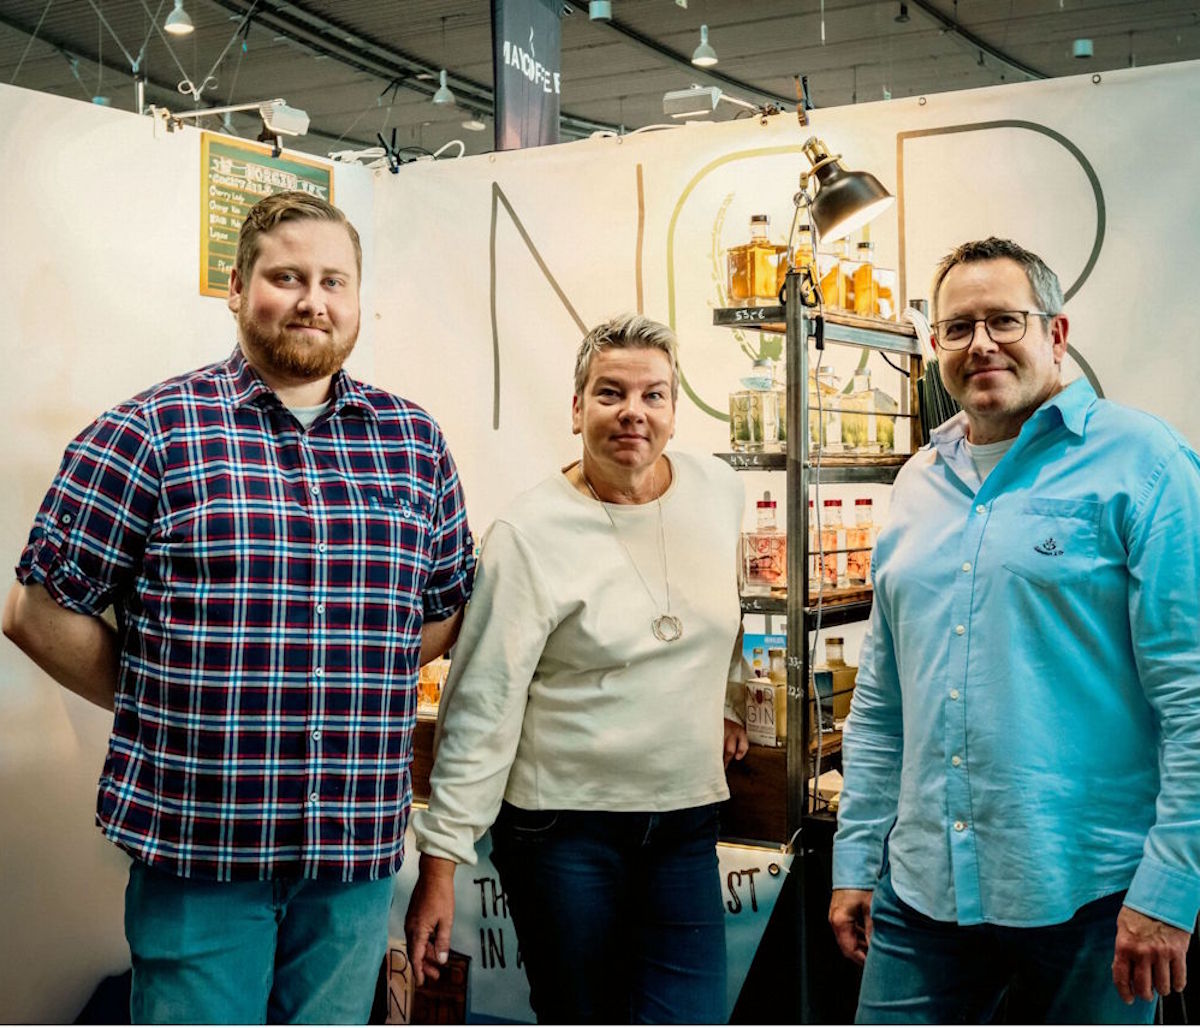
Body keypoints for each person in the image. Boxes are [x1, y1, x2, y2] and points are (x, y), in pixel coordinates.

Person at [2, 191, 475, 1024]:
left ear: (359, 298)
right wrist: (165, 699)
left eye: (334, 280)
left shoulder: (413, 442)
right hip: (200, 846)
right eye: (286, 276)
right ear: (235, 287)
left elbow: (439, 610)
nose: (312, 300)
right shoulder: (149, 430)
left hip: (353, 850)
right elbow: (38, 610)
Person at [829, 236, 1200, 1022]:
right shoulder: (916, 483)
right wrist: (855, 860)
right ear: (935, 348)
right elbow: (884, 705)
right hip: (922, 889)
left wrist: (1173, 887)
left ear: (1055, 334)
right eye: (959, 328)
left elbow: (1192, 695)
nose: (982, 344)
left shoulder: (1146, 464)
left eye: (1005, 320)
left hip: (1092, 896)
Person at [404, 314, 749, 1024]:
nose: (633, 412)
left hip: (683, 825)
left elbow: (725, 610)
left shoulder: (717, 490)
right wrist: (441, 861)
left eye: (654, 395)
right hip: (564, 835)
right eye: (609, 393)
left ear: (675, 413)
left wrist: (730, 700)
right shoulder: (528, 534)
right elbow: (483, 704)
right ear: (575, 409)